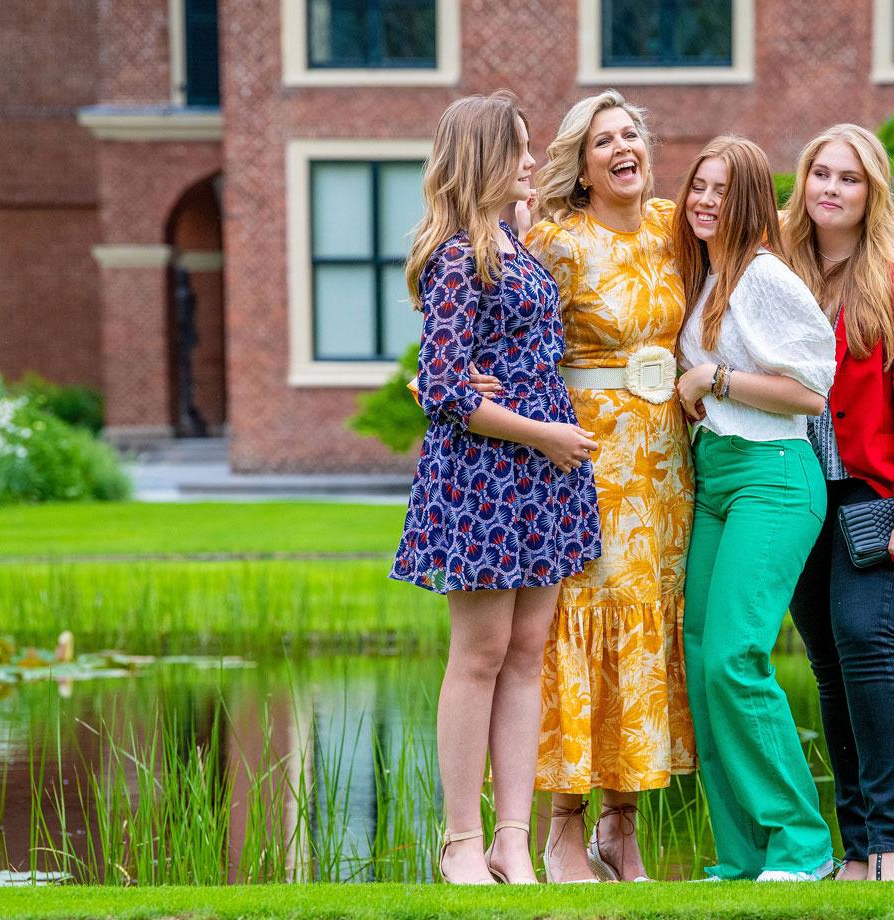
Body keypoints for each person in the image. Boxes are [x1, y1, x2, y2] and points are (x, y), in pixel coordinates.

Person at [389, 90, 602, 885]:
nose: (530, 158)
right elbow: (443, 387)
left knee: (526, 654)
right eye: (517, 147)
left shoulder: (521, 248)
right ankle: (459, 843)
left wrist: (550, 441)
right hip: (483, 481)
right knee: (479, 655)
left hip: (541, 484)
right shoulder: (456, 255)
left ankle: (514, 839)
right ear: (483, 157)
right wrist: (545, 433)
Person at [517, 90, 696, 883]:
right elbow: (511, 328)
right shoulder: (558, 241)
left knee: (649, 626)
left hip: (670, 463)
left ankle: (623, 828)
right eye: (603, 141)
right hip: (588, 462)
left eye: (631, 135)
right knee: (580, 629)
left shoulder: (672, 227)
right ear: (581, 167)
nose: (623, 147)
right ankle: (564, 828)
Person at [781, 124, 894, 882]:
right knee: (827, 662)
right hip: (793, 492)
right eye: (820, 173)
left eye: (848, 178)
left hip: (879, 492)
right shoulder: (779, 267)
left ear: (872, 191)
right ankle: (854, 854)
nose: (830, 188)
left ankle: (891, 849)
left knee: (864, 637)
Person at [672, 135, 838, 882]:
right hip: (717, 476)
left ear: (749, 201)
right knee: (703, 658)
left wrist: (716, 379)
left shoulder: (766, 277)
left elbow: (810, 391)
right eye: (696, 187)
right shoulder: (708, 276)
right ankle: (742, 854)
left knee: (737, 656)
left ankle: (803, 846)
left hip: (773, 476)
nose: (704, 201)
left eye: (720, 190)